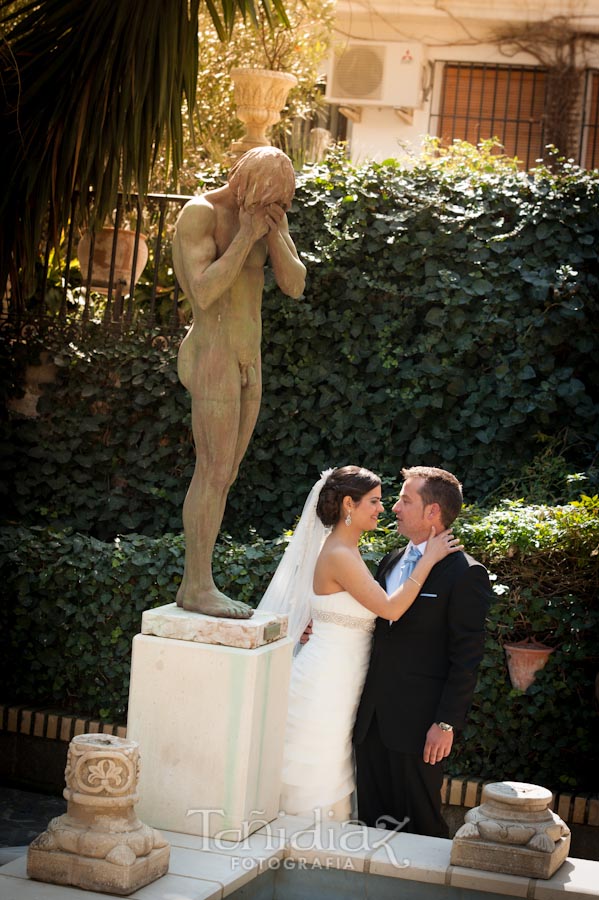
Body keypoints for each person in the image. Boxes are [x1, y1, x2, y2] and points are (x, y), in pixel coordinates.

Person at [258, 466, 463, 821]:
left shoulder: (353, 554)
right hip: (325, 684)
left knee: (331, 770)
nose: (383, 509)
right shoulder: (338, 553)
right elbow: (390, 607)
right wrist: (428, 559)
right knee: (314, 775)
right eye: (375, 501)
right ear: (349, 505)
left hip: (346, 684)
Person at [172, 147, 306, 618]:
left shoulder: (267, 217)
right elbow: (204, 292)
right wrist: (246, 236)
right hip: (212, 354)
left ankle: (199, 582)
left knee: (225, 475)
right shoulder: (200, 214)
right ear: (243, 183)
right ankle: (197, 586)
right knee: (211, 470)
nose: (272, 211)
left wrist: (271, 237)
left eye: (280, 204)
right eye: (267, 201)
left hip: (249, 357)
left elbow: (295, 284)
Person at [353, 466, 491, 838]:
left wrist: (445, 724)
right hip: (370, 723)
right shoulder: (391, 561)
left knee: (421, 827)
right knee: (370, 826)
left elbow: (467, 657)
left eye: (404, 499)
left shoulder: (465, 574)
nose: (394, 507)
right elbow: (372, 626)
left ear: (433, 512)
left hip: (419, 729)